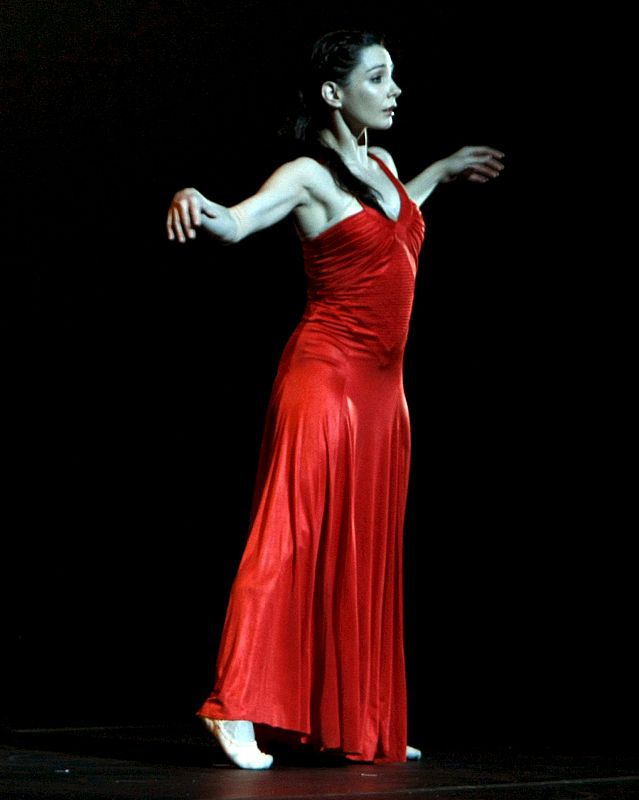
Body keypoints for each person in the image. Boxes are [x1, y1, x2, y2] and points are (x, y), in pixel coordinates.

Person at [165, 29, 504, 769]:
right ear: (333, 92)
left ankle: (363, 720)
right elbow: (239, 221)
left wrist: (442, 171)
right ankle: (233, 707)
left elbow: (397, 218)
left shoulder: (383, 166)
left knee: (365, 556)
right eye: (377, 78)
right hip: (326, 378)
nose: (394, 90)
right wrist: (199, 199)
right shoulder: (305, 174)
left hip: (385, 395)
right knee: (285, 539)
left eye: (393, 77)